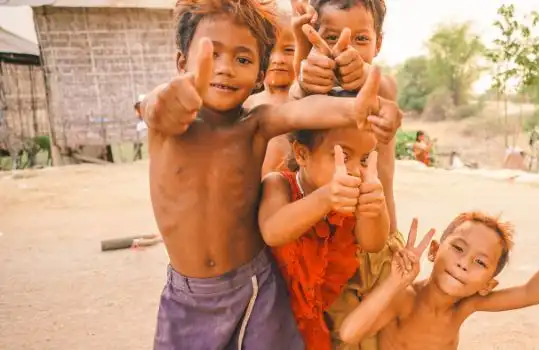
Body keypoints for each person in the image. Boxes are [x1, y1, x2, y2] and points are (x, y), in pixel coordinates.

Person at [139, 0, 400, 348]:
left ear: (260, 76)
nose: (225, 68)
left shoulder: (256, 124)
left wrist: (359, 108)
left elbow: (303, 110)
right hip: (188, 296)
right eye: (211, 55)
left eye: (243, 59)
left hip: (256, 284)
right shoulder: (167, 125)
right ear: (182, 63)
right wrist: (163, 100)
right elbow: (155, 105)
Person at [288, 1, 406, 348]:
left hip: (379, 247)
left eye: (360, 39)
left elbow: (383, 90)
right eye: (332, 37)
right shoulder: (313, 92)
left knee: (386, 337)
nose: (346, 50)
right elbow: (297, 102)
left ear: (378, 43)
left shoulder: (382, 87)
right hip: (327, 250)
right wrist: (305, 69)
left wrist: (366, 74)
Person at [337, 212, 539, 349]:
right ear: (434, 250)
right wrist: (394, 283)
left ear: (488, 285)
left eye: (480, 262)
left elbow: (532, 292)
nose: (463, 263)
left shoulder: (465, 306)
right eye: (458, 248)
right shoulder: (405, 299)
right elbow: (349, 334)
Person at [259, 122, 390, 350]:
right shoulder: (279, 184)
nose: (355, 170)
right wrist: (327, 197)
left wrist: (375, 207)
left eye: (364, 159)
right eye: (343, 156)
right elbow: (272, 231)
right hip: (268, 322)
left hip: (316, 325)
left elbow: (373, 243)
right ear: (302, 154)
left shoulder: (354, 199)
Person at [243, 11, 296, 176]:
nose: (278, 59)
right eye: (269, 51)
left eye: (289, 50)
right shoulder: (248, 103)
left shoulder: (304, 101)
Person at [133, 94, 147, 160]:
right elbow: (138, 115)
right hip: (143, 124)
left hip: (144, 124)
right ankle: (137, 154)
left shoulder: (147, 106)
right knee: (139, 139)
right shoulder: (138, 107)